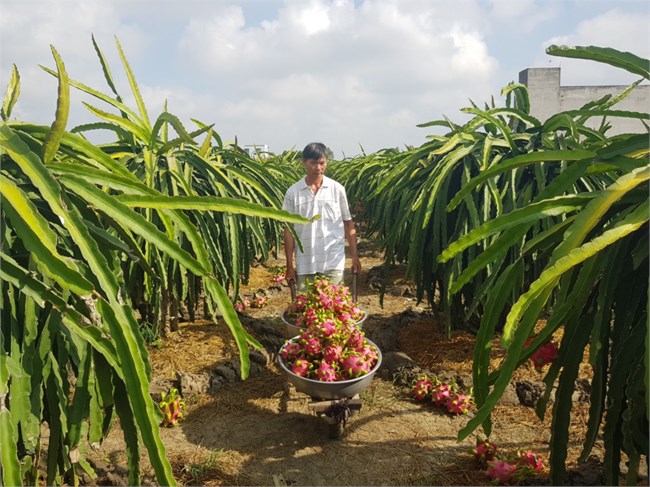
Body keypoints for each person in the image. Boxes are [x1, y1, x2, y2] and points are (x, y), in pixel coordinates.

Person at [283, 142, 361, 291]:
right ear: (303, 162)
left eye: (322, 163)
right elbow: (288, 230)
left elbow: (348, 223)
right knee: (307, 310)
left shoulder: (337, 189)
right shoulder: (293, 192)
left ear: (327, 162)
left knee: (334, 306)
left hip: (333, 261)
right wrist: (289, 265)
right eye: (313, 163)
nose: (318, 168)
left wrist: (355, 256)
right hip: (305, 263)